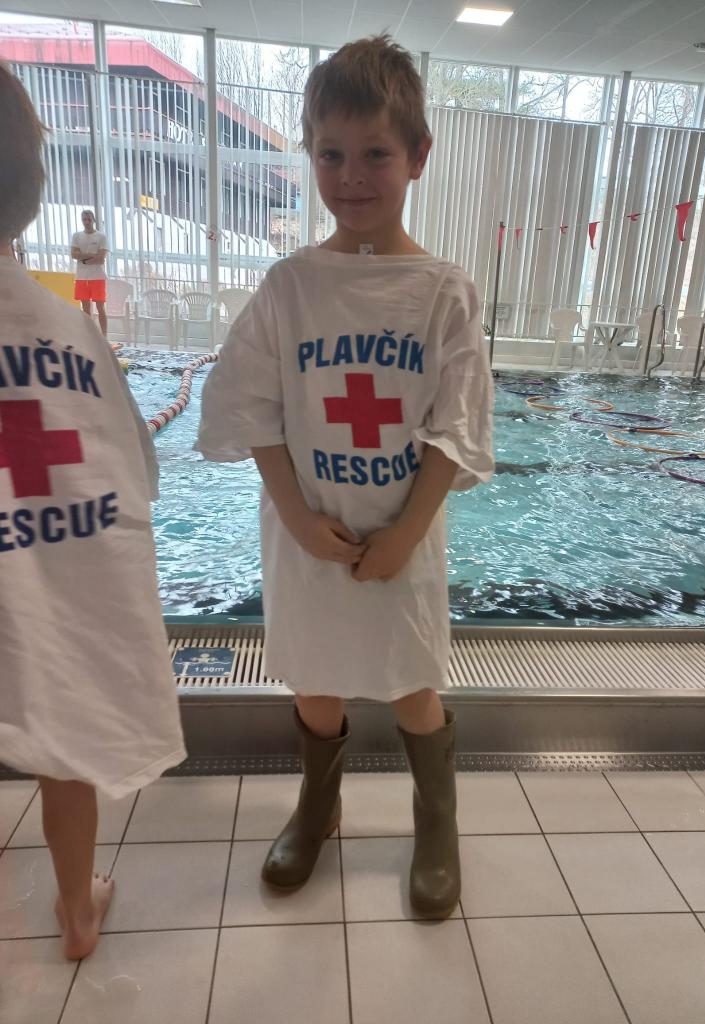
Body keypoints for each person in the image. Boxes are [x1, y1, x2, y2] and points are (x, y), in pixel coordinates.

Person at [197, 36, 494, 919]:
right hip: (311, 534)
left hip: (403, 535)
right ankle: (318, 805)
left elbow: (459, 425)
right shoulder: (290, 286)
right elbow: (250, 406)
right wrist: (294, 514)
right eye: (331, 154)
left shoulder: (442, 291)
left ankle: (436, 822)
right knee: (315, 680)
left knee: (412, 681)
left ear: (419, 156)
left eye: (375, 154)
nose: (351, 176)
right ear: (309, 153)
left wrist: (406, 532)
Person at [0, 64, 186, 960]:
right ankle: (78, 912)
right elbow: (135, 476)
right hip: (33, 599)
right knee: (59, 748)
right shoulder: (70, 332)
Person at [71, 208, 108, 336]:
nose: (86, 222)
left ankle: (104, 337)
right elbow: (74, 255)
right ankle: (90, 336)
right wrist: (92, 255)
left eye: (89, 219)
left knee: (100, 308)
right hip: (82, 278)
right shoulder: (77, 236)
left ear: (93, 220)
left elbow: (101, 259)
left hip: (98, 277)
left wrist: (83, 258)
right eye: (84, 219)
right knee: (86, 310)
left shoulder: (101, 236)